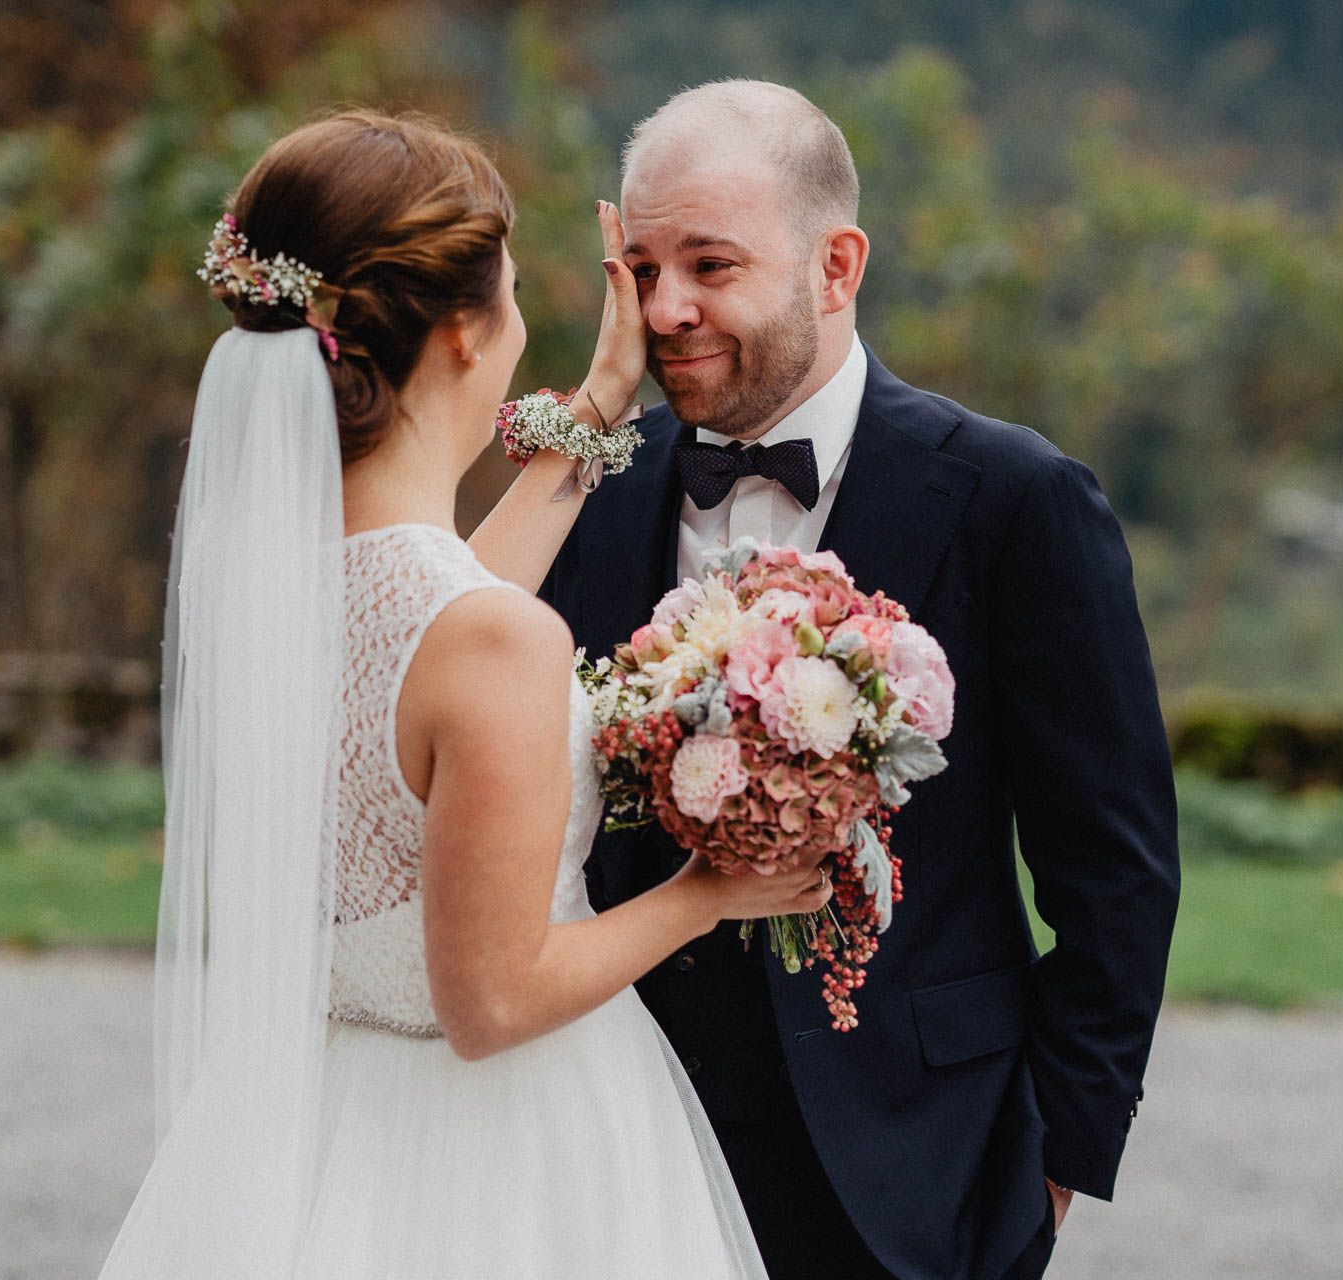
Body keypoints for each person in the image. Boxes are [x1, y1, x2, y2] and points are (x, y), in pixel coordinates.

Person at [97, 109, 824, 1279]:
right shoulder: (488, 638)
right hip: (508, 1149)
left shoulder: (289, 592)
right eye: (514, 287)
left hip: (325, 1120)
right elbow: (491, 998)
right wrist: (709, 892)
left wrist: (598, 401)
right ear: (461, 334)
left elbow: (436, 624)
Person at [541, 80, 1182, 1280]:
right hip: (625, 1133)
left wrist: (1051, 1165)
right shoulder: (591, 499)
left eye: (711, 265)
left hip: (920, 1157)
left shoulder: (1014, 499)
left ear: (836, 267)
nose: (666, 308)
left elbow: (1117, 870)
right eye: (639, 266)